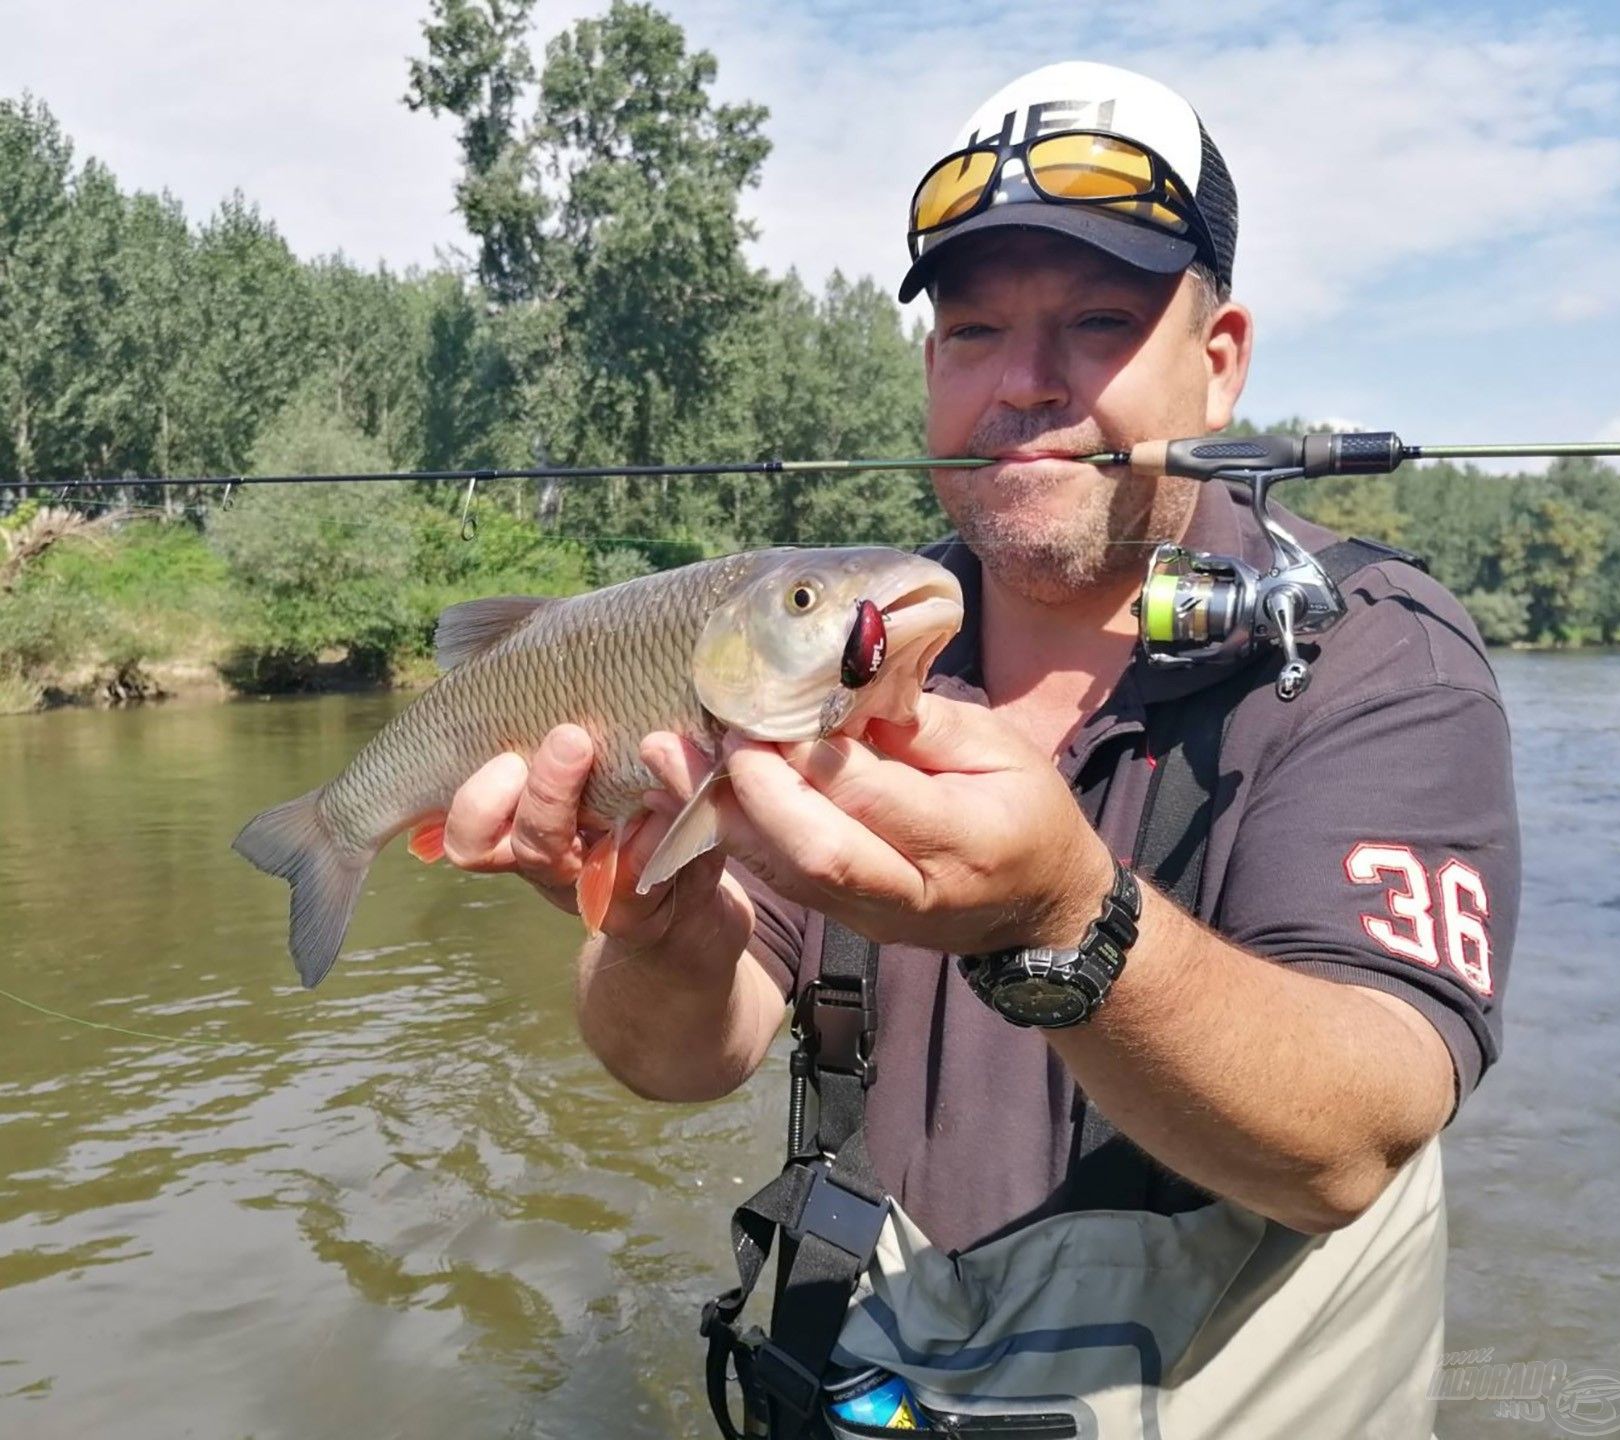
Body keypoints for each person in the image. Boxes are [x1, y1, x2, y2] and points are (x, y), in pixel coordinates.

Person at [439, 60, 1518, 1439]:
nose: (1023, 385)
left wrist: (1061, 922)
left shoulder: (1376, 660)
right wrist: (657, 931)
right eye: (973, 330)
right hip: (887, 1386)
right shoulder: (830, 652)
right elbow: (674, 1061)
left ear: (1223, 356)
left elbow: (1353, 1137)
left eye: (1098, 322)